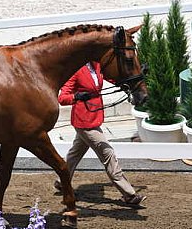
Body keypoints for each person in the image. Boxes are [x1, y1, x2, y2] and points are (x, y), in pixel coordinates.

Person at [56, 61, 147, 207]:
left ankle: (61, 182)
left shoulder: (97, 66)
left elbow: (114, 78)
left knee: (75, 154)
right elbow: (62, 98)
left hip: (94, 117)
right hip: (84, 122)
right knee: (108, 153)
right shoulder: (76, 70)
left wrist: (135, 76)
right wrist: (77, 96)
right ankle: (129, 195)